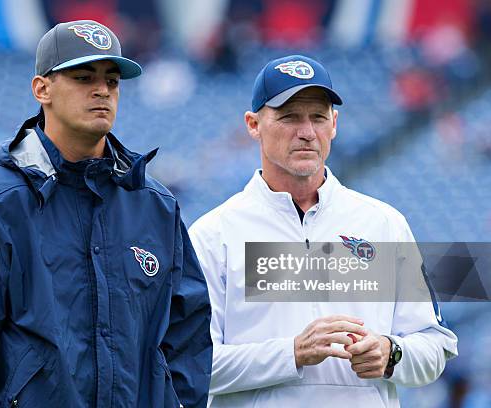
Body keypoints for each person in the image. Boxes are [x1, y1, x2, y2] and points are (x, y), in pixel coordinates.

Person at [0, 20, 212, 408]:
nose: (102, 90)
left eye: (112, 81)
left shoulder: (155, 205)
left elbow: (188, 337)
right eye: (83, 77)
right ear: (42, 89)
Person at [188, 55, 458, 407]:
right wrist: (292, 353)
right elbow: (192, 364)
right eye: (289, 117)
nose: (306, 132)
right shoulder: (213, 234)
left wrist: (391, 353)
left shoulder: (383, 223)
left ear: (334, 123)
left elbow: (435, 346)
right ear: (253, 125)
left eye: (318, 117)